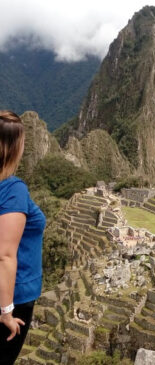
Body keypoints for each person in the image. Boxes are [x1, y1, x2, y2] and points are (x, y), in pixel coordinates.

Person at [0, 110, 46, 365]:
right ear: (14, 147)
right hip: (13, 298)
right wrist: (6, 311)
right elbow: (5, 255)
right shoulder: (13, 190)